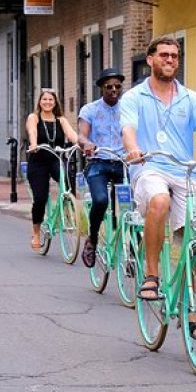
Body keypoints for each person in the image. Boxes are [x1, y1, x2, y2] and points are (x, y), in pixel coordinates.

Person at [120, 36, 196, 337]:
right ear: (150, 59)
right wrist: (134, 149)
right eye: (164, 55)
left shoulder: (190, 98)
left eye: (174, 55)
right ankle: (151, 275)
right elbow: (128, 129)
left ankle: (189, 307)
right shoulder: (135, 97)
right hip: (150, 167)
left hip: (185, 173)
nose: (170, 60)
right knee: (159, 201)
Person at [77, 67, 126, 268]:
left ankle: (134, 247)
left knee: (134, 207)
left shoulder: (128, 108)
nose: (114, 90)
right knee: (100, 200)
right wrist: (86, 143)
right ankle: (93, 239)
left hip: (124, 163)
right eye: (109, 87)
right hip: (99, 162)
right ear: (101, 89)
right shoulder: (90, 110)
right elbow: (81, 135)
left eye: (117, 87)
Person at [25, 89, 79, 251]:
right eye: (44, 99)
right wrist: (34, 144)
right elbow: (32, 131)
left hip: (55, 159)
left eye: (51, 100)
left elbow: (71, 135)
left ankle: (68, 212)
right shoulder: (33, 117)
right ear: (39, 102)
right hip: (38, 161)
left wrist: (81, 144)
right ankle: (36, 232)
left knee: (67, 182)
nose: (47, 102)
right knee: (40, 198)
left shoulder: (61, 120)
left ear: (55, 103)